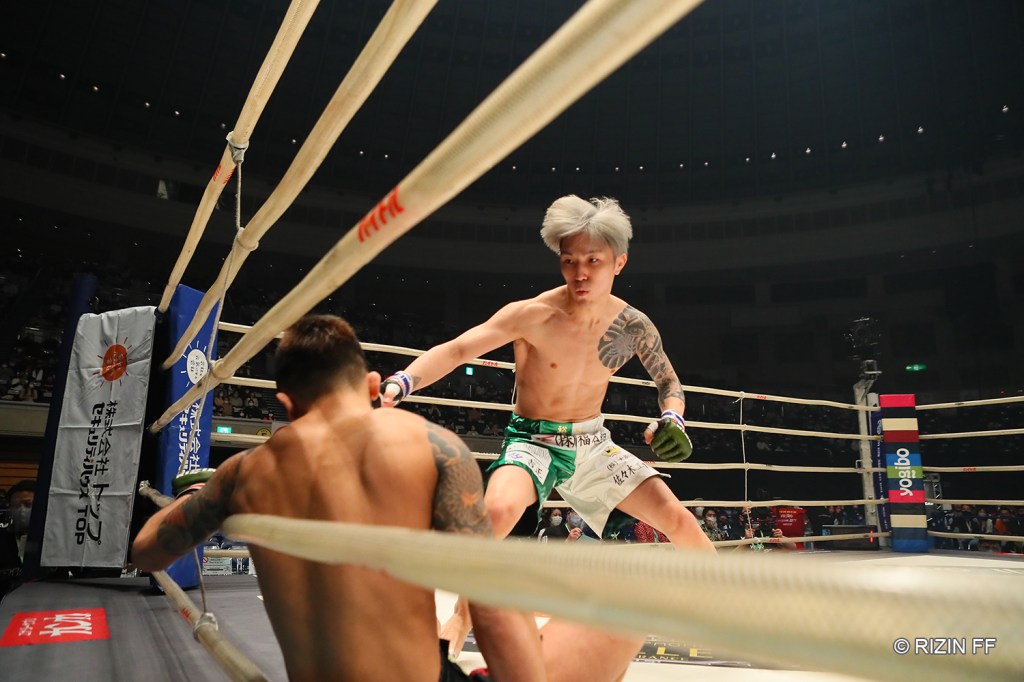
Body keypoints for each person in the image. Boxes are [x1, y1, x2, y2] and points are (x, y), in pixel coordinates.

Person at [381, 195, 715, 654]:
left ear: (619, 262)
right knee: (496, 513)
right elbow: (460, 349)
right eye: (569, 261)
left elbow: (669, 382)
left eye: (593, 261)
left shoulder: (633, 325)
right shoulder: (532, 314)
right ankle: (458, 620)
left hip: (594, 442)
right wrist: (403, 381)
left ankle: (729, 614)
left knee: (679, 519)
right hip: (532, 440)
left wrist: (671, 417)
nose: (580, 273)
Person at [132, 315, 545, 682]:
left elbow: (147, 553)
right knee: (599, 622)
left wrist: (194, 495)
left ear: (287, 404)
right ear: (370, 384)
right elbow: (492, 608)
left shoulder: (244, 471)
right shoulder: (435, 446)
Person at [1, 479, 34, 596]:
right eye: (15, 505)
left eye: (28, 505)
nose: (21, 510)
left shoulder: (53, 540)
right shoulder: (2, 539)